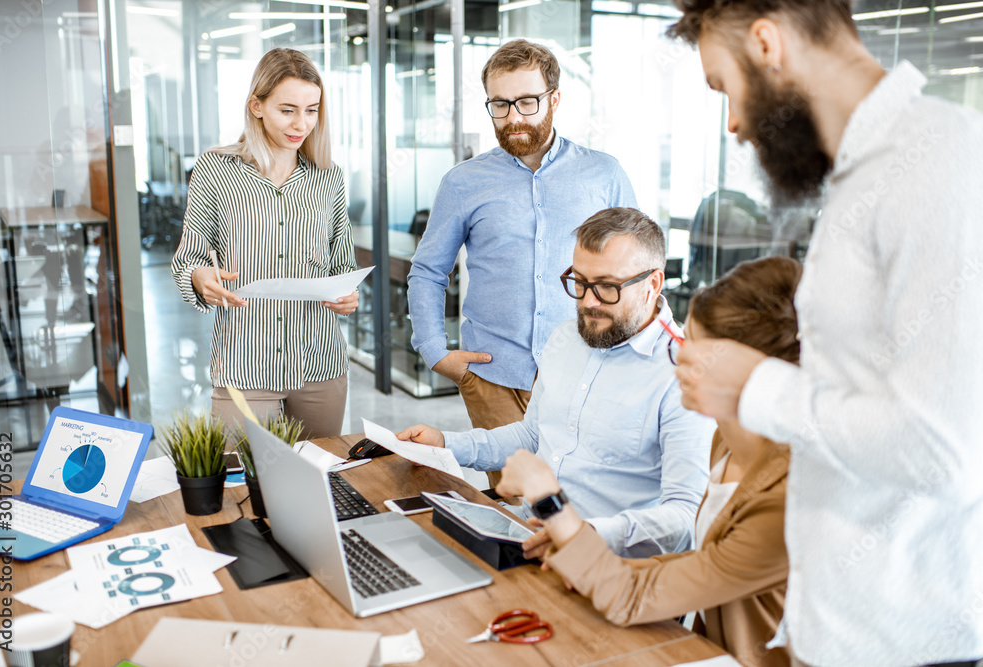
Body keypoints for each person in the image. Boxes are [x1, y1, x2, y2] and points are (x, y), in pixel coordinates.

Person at [666, 2, 983, 665]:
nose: (731, 123)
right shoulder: (857, 178)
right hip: (832, 639)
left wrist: (757, 387)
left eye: (724, 86)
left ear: (766, 44)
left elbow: (943, 449)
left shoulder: (937, 160)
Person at [497, 257, 804, 667]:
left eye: (696, 350)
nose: (679, 362)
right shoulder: (725, 445)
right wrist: (586, 547)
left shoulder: (786, 499)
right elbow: (707, 563)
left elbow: (631, 597)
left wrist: (549, 500)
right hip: (695, 641)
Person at [400, 208, 713, 558]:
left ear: (652, 284)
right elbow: (533, 435)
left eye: (607, 287)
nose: (588, 302)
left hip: (604, 565)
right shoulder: (567, 337)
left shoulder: (684, 373)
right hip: (526, 535)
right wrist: (444, 445)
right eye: (579, 282)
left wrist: (578, 532)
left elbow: (687, 518)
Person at [407, 40, 638, 487]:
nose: (513, 117)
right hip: (493, 374)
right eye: (500, 104)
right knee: (514, 503)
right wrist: (436, 352)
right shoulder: (463, 182)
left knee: (575, 496)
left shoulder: (604, 175)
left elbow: (633, 272)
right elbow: (429, 270)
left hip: (583, 371)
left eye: (527, 102)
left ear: (554, 98)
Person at [171, 48, 358, 442]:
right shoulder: (215, 169)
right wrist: (201, 277)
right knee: (242, 495)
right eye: (287, 110)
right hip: (245, 364)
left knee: (319, 481)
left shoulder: (328, 177)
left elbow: (343, 265)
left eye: (312, 110)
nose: (302, 123)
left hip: (319, 363)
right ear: (256, 105)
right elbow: (188, 258)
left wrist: (347, 296)